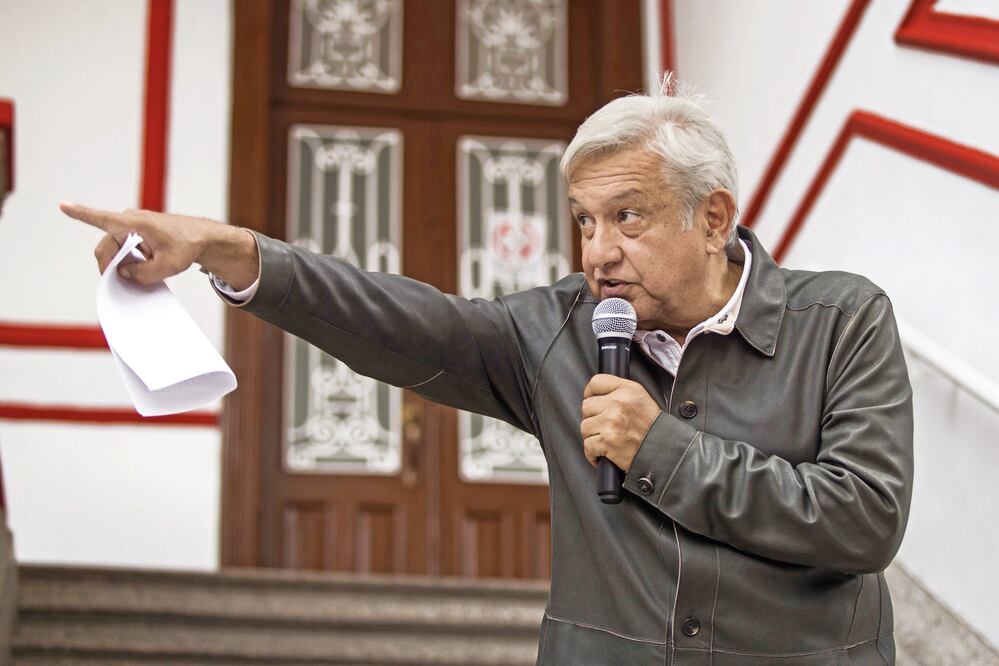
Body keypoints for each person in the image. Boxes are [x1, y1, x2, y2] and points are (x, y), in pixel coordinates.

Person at [63, 77, 913, 665]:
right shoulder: (555, 334)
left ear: (714, 218)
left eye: (628, 216)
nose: (598, 252)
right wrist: (231, 250)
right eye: (583, 221)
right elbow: (407, 325)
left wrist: (658, 451)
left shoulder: (841, 322)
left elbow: (863, 520)